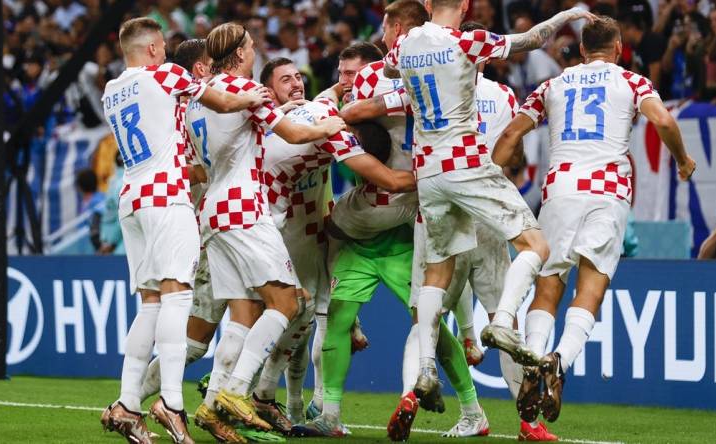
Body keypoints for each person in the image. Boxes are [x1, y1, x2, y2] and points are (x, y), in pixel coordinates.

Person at [382, 0, 593, 411]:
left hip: (428, 174)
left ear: (426, 5)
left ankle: (426, 366)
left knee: (437, 273)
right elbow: (531, 40)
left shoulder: (404, 45)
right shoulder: (468, 40)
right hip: (467, 163)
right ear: (464, 5)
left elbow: (390, 68)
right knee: (537, 246)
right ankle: (500, 324)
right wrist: (568, 16)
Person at [493, 15, 696, 425]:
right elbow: (663, 121)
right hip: (608, 192)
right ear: (619, 48)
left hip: (560, 190)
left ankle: (533, 360)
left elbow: (512, 134)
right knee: (592, 287)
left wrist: (488, 184)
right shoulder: (633, 82)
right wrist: (683, 159)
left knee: (548, 286)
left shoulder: (552, 85)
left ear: (582, 50)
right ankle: (559, 361)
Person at [294, 5, 484, 439]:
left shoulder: (378, 76)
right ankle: (332, 415)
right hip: (412, 204)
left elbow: (362, 130)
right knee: (381, 319)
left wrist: (331, 106)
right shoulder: (442, 68)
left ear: (396, 29)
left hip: (397, 213)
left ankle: (472, 408)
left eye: (348, 72)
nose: (345, 80)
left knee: (421, 320)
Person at [98, 17, 271, 444]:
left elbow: (160, 140)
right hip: (166, 200)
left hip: (132, 200)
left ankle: (126, 404)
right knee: (178, 297)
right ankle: (173, 405)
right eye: (162, 45)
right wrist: (256, 93)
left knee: (151, 305)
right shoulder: (168, 73)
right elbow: (224, 103)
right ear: (156, 48)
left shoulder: (112, 90)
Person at [187, 22, 345, 437]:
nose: (255, 53)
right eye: (252, 47)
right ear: (238, 54)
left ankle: (210, 406)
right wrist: (326, 128)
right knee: (288, 302)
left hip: (212, 213)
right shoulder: (248, 93)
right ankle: (237, 390)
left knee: (243, 314)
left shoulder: (195, 101)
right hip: (244, 209)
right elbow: (292, 133)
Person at [251, 57, 416, 432]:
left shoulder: (320, 108)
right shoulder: (308, 130)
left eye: (298, 77)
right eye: (284, 80)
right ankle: (254, 394)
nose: (295, 84)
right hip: (277, 227)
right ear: (269, 90)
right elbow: (389, 180)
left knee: (311, 318)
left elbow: (332, 94)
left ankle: (303, 405)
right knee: (291, 314)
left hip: (316, 230)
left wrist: (348, 87)